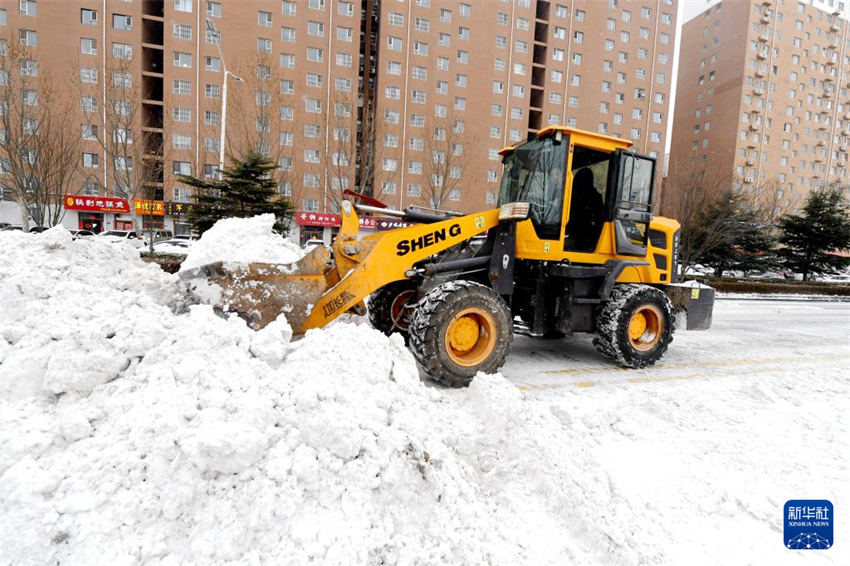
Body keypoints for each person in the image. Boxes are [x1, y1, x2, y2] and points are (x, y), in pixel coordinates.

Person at [565, 168, 604, 252]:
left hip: (574, 232)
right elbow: (599, 217)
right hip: (589, 235)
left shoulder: (570, 194)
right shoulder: (596, 197)